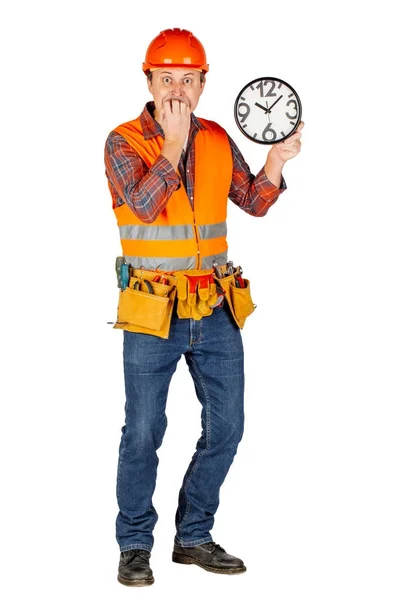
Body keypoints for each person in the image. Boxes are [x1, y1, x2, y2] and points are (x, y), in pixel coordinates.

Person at [104, 27, 303, 587]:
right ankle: (134, 543)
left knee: (229, 427)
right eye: (166, 78)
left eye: (187, 79)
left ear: (201, 84)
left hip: (214, 308)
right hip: (151, 311)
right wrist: (169, 144)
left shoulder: (216, 137)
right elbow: (143, 208)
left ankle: (193, 536)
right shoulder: (123, 141)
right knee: (143, 431)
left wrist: (275, 161)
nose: (177, 89)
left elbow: (254, 203)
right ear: (148, 80)